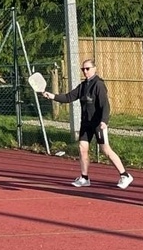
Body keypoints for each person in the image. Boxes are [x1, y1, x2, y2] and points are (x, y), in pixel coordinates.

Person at [42, 59, 133, 189]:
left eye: (87, 68)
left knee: (105, 150)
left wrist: (104, 121)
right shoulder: (83, 86)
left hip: (98, 123)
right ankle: (84, 178)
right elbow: (68, 97)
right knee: (82, 148)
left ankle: (125, 175)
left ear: (94, 69)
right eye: (83, 69)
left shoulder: (99, 85)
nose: (85, 71)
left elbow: (105, 105)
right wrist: (52, 96)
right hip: (86, 124)